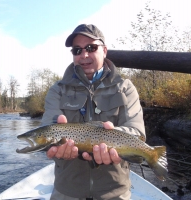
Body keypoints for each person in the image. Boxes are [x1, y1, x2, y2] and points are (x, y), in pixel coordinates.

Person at [41, 24, 146, 200]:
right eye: (77, 50)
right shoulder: (57, 90)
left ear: (104, 51)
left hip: (115, 191)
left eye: (91, 48)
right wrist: (53, 146)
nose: (84, 55)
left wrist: (111, 137)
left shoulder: (125, 88)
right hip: (67, 190)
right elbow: (46, 132)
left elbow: (138, 134)